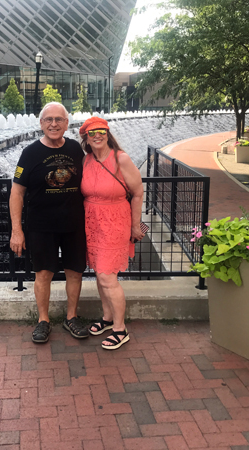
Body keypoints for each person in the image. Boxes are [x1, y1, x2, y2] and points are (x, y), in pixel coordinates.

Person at [9, 102, 89, 343]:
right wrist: (17, 230)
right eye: (48, 119)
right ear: (41, 123)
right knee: (43, 273)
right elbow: (16, 193)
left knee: (75, 271)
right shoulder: (30, 153)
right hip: (41, 225)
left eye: (58, 119)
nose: (53, 124)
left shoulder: (76, 149)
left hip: (74, 223)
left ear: (67, 123)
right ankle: (43, 320)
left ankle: (71, 317)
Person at [79, 117, 144, 350]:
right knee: (99, 273)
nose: (97, 135)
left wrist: (136, 226)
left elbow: (137, 192)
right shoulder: (86, 160)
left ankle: (120, 328)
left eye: (102, 131)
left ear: (108, 134)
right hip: (92, 223)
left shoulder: (120, 158)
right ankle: (107, 318)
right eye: (92, 132)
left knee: (108, 276)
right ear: (85, 137)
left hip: (116, 222)